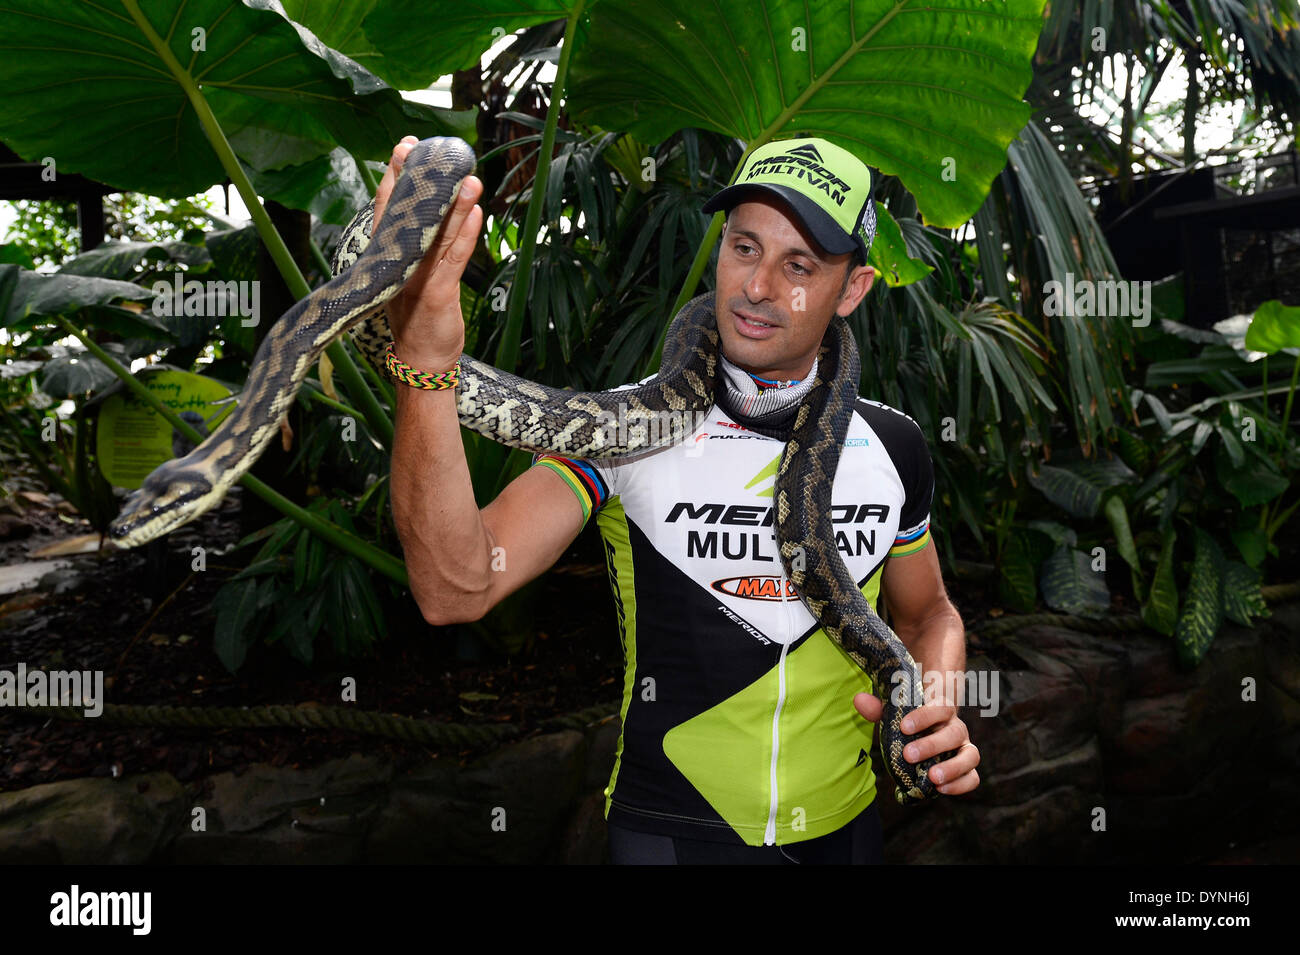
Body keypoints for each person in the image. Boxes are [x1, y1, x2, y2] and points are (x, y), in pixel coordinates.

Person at [379, 133, 981, 864]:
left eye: (799, 265)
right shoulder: (622, 426)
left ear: (852, 288)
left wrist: (934, 696)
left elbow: (929, 614)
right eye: (744, 247)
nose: (755, 287)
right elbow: (455, 587)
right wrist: (425, 362)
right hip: (669, 835)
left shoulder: (894, 444)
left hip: (847, 832)